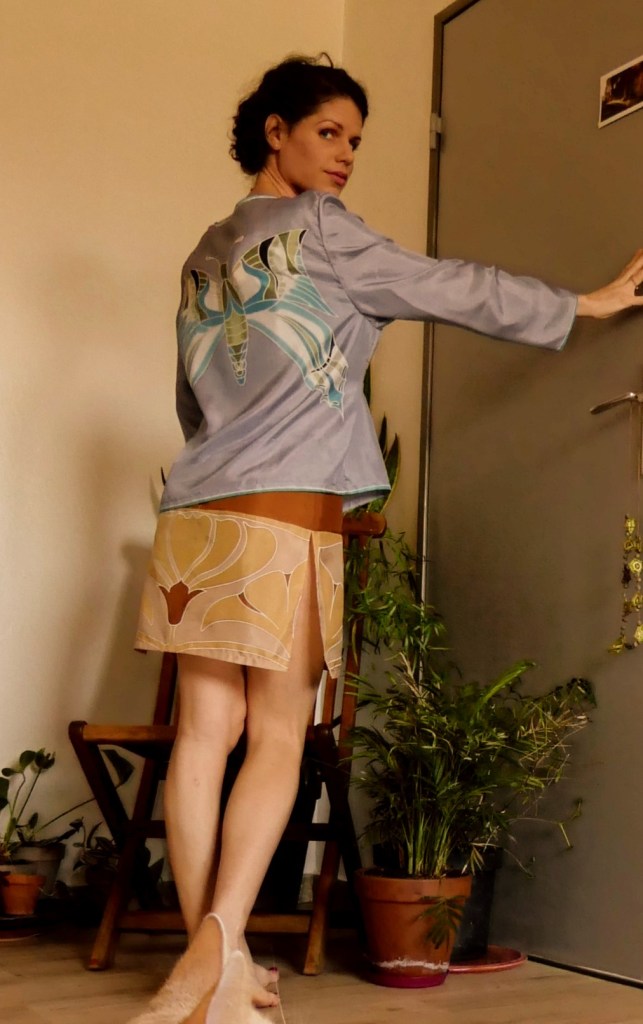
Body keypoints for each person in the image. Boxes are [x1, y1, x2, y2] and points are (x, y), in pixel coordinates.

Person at [129, 55, 643, 1024]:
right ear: (275, 131)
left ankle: (210, 963)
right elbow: (445, 285)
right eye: (328, 132)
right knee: (276, 734)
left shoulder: (203, 253)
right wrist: (580, 303)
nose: (345, 155)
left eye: (356, 141)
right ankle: (217, 958)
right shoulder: (322, 230)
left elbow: (190, 398)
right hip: (284, 506)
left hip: (192, 509)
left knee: (200, 736)